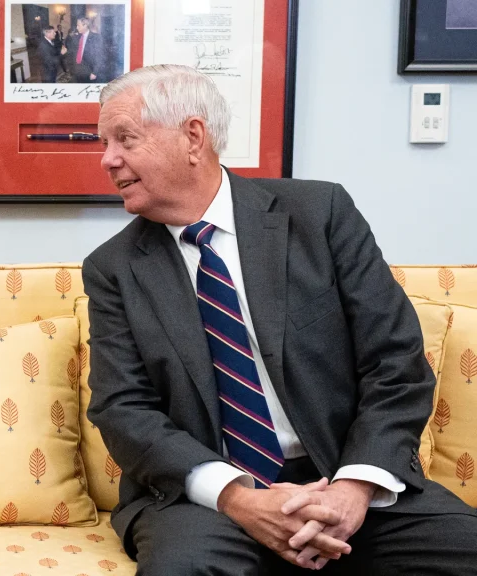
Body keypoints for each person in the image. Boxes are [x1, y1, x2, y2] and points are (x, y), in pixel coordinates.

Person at [84, 64, 477, 574]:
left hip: (346, 473)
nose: (107, 159)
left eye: (124, 139)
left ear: (193, 137)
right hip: (207, 498)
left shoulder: (319, 215)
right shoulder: (114, 268)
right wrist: (239, 498)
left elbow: (394, 362)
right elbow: (122, 408)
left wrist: (353, 490)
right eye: (104, 142)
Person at [64, 17, 105, 83]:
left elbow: (99, 56)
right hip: (76, 70)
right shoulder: (75, 37)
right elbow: (71, 52)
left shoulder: (96, 38)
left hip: (88, 71)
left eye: (78, 25)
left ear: (85, 25)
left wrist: (95, 72)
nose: (77, 28)